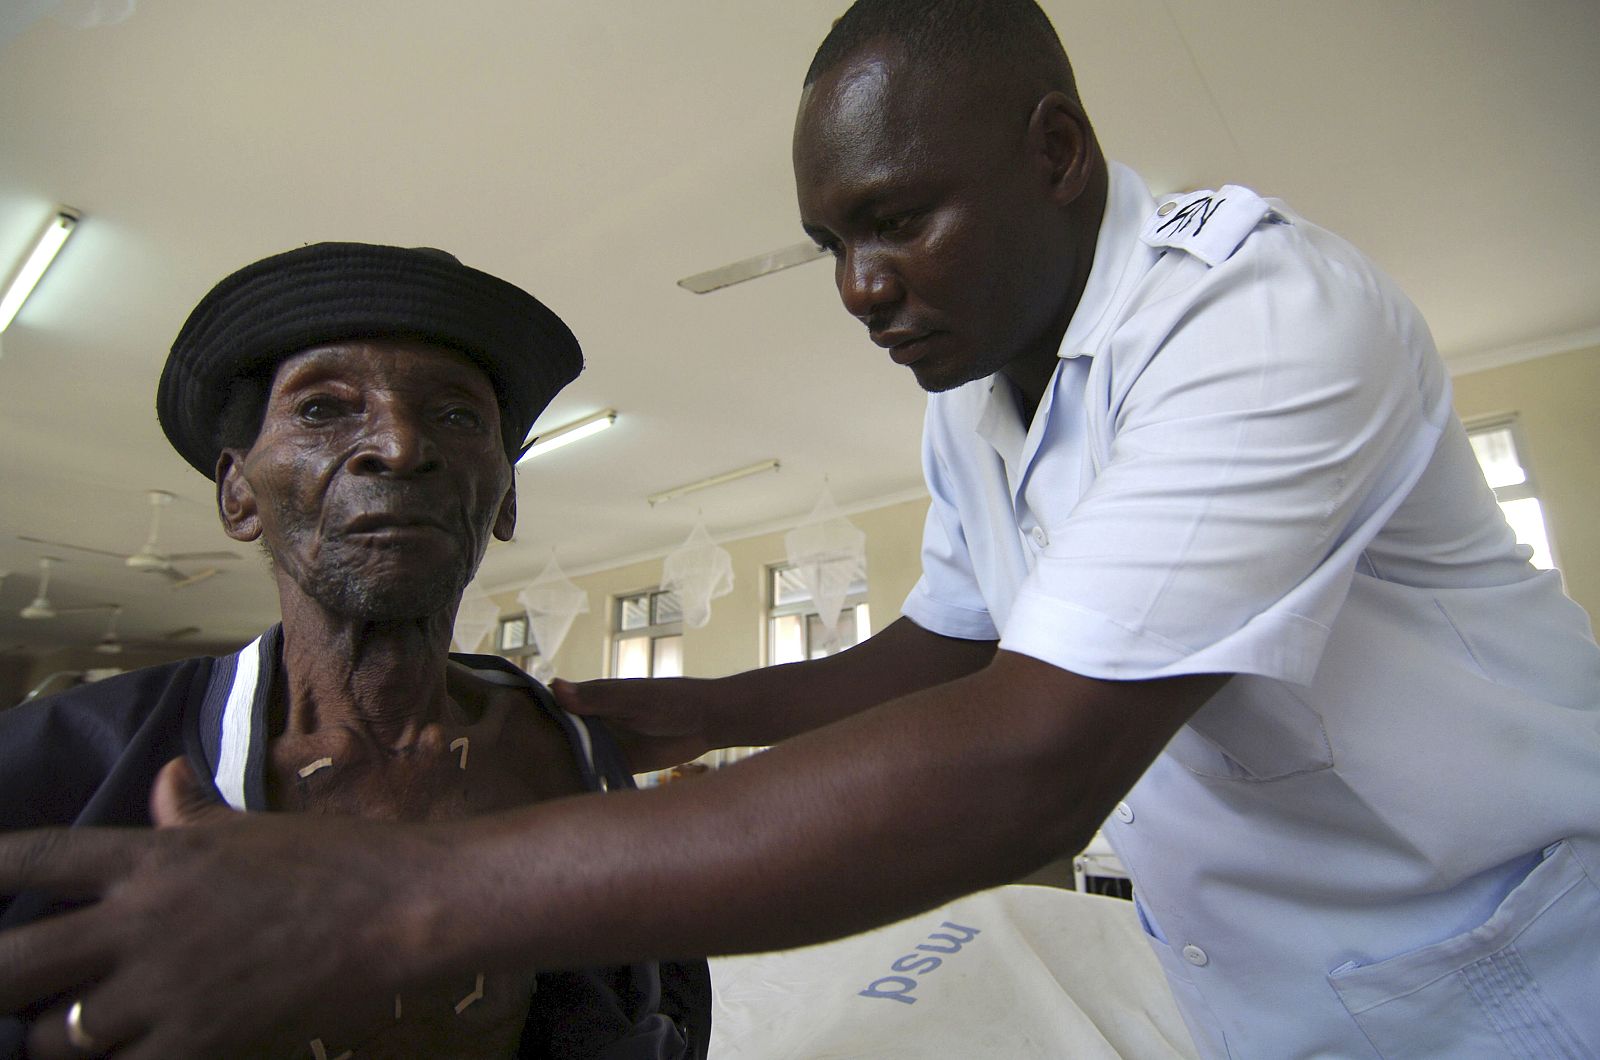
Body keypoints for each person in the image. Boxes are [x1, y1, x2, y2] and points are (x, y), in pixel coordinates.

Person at [2, 2, 1597, 1057]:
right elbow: (940, 652)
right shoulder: (971, 402)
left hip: (1498, 970)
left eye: (899, 219)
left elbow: (1024, 757)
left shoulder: (1257, 318)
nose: (859, 287)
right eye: (832, 243)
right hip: (1262, 984)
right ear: (233, 485)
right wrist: (673, 713)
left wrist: (382, 899)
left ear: (1058, 153)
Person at [0, 242, 711, 1059]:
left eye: (456, 415)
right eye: (322, 408)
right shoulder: (58, 771)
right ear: (238, 495)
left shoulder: (572, 752)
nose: (402, 447)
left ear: (506, 499)